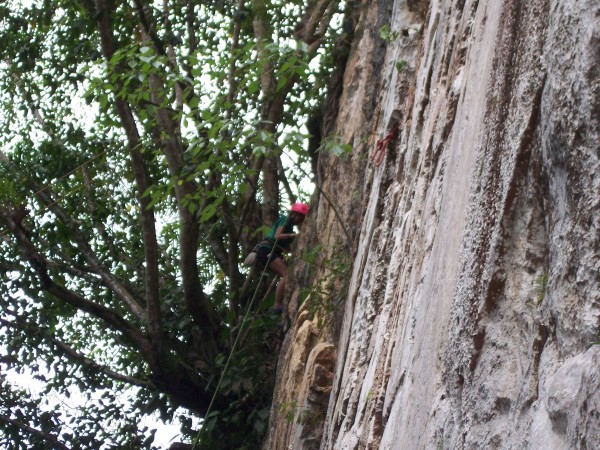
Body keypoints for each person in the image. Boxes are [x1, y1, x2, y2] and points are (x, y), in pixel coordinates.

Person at [255, 202, 309, 314]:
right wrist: (294, 236)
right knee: (286, 274)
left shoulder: (289, 228)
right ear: (293, 214)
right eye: (299, 216)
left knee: (288, 272)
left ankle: (279, 304)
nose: (299, 219)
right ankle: (277, 305)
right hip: (266, 249)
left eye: (302, 218)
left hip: (270, 251)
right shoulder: (285, 220)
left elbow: (288, 249)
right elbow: (277, 236)